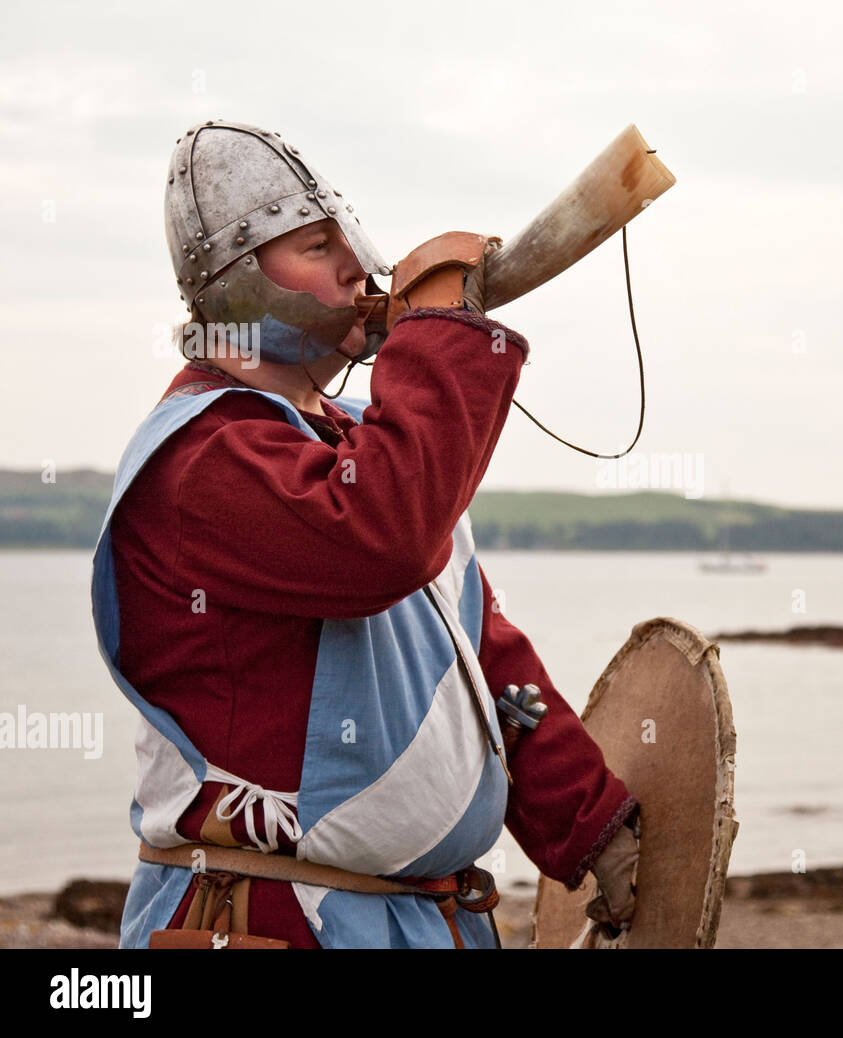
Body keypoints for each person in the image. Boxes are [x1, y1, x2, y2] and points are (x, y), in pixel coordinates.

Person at [90, 119, 639, 948]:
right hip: (268, 919)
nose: (357, 265)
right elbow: (379, 539)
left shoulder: (359, 449)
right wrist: (444, 336)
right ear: (237, 282)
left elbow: (488, 667)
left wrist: (593, 824)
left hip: (423, 917)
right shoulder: (202, 459)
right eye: (315, 247)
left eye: (346, 239)